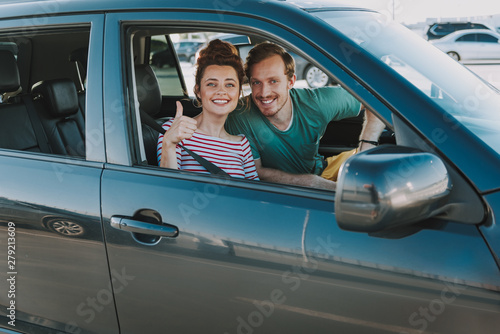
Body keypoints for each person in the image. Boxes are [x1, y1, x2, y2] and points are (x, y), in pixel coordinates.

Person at [225, 42, 385, 190]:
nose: (264, 93)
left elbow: (376, 96)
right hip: (283, 192)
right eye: (256, 82)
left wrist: (367, 144)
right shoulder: (240, 115)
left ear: (291, 81)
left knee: (376, 168)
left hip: (323, 170)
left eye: (273, 81)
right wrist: (311, 183)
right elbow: (257, 172)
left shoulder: (317, 102)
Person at [157, 39, 259, 180]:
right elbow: (167, 190)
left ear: (239, 91)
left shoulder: (242, 144)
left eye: (230, 85)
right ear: (198, 91)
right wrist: (169, 143)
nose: (221, 91)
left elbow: (254, 196)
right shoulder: (175, 131)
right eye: (211, 84)